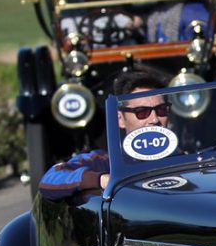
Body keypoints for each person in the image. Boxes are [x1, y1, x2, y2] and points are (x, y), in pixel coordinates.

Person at [39, 65, 172, 202]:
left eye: (161, 110)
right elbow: (50, 179)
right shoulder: (105, 161)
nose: (154, 119)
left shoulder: (182, 158)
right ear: (120, 119)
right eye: (142, 112)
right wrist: (101, 179)